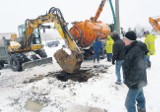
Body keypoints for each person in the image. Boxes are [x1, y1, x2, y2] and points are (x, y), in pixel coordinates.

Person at [122, 31, 149, 112]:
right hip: (138, 81)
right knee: (140, 98)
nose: (123, 40)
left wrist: (130, 81)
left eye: (124, 39)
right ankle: (142, 110)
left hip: (135, 82)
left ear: (129, 40)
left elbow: (138, 69)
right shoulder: (132, 47)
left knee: (129, 103)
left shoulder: (136, 51)